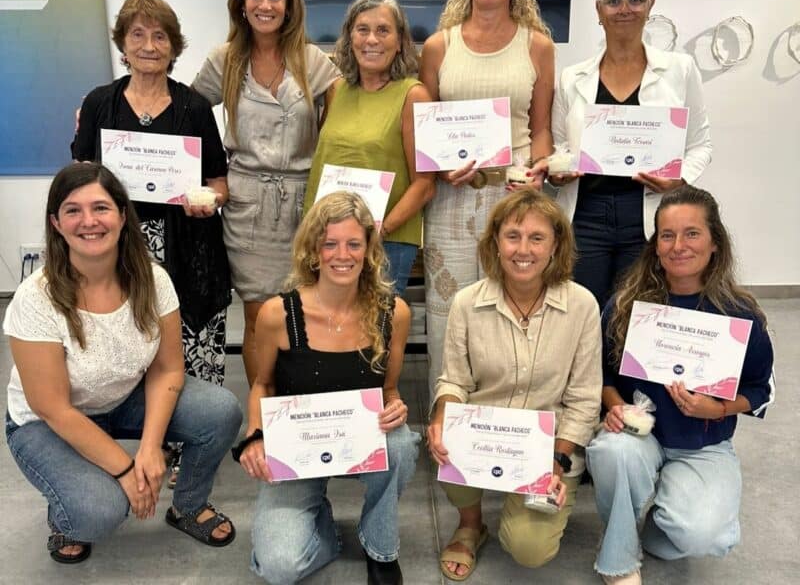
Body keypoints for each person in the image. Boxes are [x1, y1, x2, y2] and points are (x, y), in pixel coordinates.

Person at [4, 163, 242, 565]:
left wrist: (150, 448)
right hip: (46, 423)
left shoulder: (153, 280)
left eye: (101, 207)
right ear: (56, 224)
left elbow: (168, 370)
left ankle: (187, 505)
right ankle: (65, 516)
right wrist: (126, 470)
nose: (89, 221)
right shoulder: (35, 298)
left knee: (220, 411)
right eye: (72, 210)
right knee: (99, 511)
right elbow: (53, 407)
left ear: (121, 216)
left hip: (122, 397)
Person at [586, 185, 774, 585]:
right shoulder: (625, 305)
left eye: (692, 233)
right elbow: (598, 373)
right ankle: (619, 558)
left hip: (702, 443)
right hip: (638, 435)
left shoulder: (741, 316)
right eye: (667, 235)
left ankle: (652, 520)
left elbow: (760, 388)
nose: (678, 246)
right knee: (612, 453)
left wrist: (719, 408)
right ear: (655, 246)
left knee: (701, 535)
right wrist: (615, 404)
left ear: (715, 243)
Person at [233, 191, 420, 584]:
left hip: (361, 444)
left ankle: (379, 545)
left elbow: (389, 390)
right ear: (314, 250)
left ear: (369, 249)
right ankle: (322, 523)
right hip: (296, 449)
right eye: (330, 243)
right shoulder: (277, 314)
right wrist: (254, 436)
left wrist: (396, 404)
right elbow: (262, 384)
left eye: (354, 244)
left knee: (402, 443)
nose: (342, 255)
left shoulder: (394, 313)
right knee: (280, 568)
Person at [427, 189, 602, 580]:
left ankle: (528, 501)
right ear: (495, 242)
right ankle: (471, 523)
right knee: (446, 437)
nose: (524, 249)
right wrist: (442, 418)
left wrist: (558, 461)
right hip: (483, 437)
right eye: (513, 236)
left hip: (548, 449)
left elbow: (585, 399)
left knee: (530, 550)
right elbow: (454, 379)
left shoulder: (583, 305)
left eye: (537, 238)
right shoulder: (466, 303)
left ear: (556, 246)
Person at [72, 0, 232, 388]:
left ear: (174, 46)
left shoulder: (194, 107)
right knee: (126, 345)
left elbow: (218, 183)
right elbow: (79, 179)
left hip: (187, 242)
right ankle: (139, 435)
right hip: (119, 245)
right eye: (138, 34)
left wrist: (209, 203)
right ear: (123, 44)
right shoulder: (98, 104)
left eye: (160, 36)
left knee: (188, 346)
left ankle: (191, 435)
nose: (148, 46)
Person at [193, 0, 340, 389]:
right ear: (240, 3)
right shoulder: (224, 60)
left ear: (290, 4)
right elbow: (185, 114)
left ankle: (304, 406)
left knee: (307, 310)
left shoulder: (314, 62)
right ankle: (263, 413)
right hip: (249, 204)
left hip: (306, 203)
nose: (265, 5)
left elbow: (346, 119)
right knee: (259, 314)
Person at [419, 0, 556, 396]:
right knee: (448, 316)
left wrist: (538, 172)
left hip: (515, 197)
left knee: (512, 308)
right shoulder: (438, 47)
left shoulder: (538, 47)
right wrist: (440, 168)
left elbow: (542, 127)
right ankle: (447, 418)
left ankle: (507, 428)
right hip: (451, 201)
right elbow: (426, 125)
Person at [550, 0, 712, 309]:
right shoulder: (572, 78)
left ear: (650, 5)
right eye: (613, 1)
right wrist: (558, 172)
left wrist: (678, 179)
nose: (625, 9)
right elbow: (559, 147)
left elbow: (700, 144)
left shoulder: (679, 70)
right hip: (586, 213)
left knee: (641, 314)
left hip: (648, 214)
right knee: (584, 314)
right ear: (598, 10)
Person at [304, 0, 435, 296]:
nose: (371, 40)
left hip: (385, 243)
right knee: (331, 336)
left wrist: (378, 231)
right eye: (362, 29)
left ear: (401, 40)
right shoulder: (336, 90)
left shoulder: (413, 95)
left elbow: (425, 184)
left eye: (383, 30)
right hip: (328, 240)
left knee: (378, 336)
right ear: (350, 37)